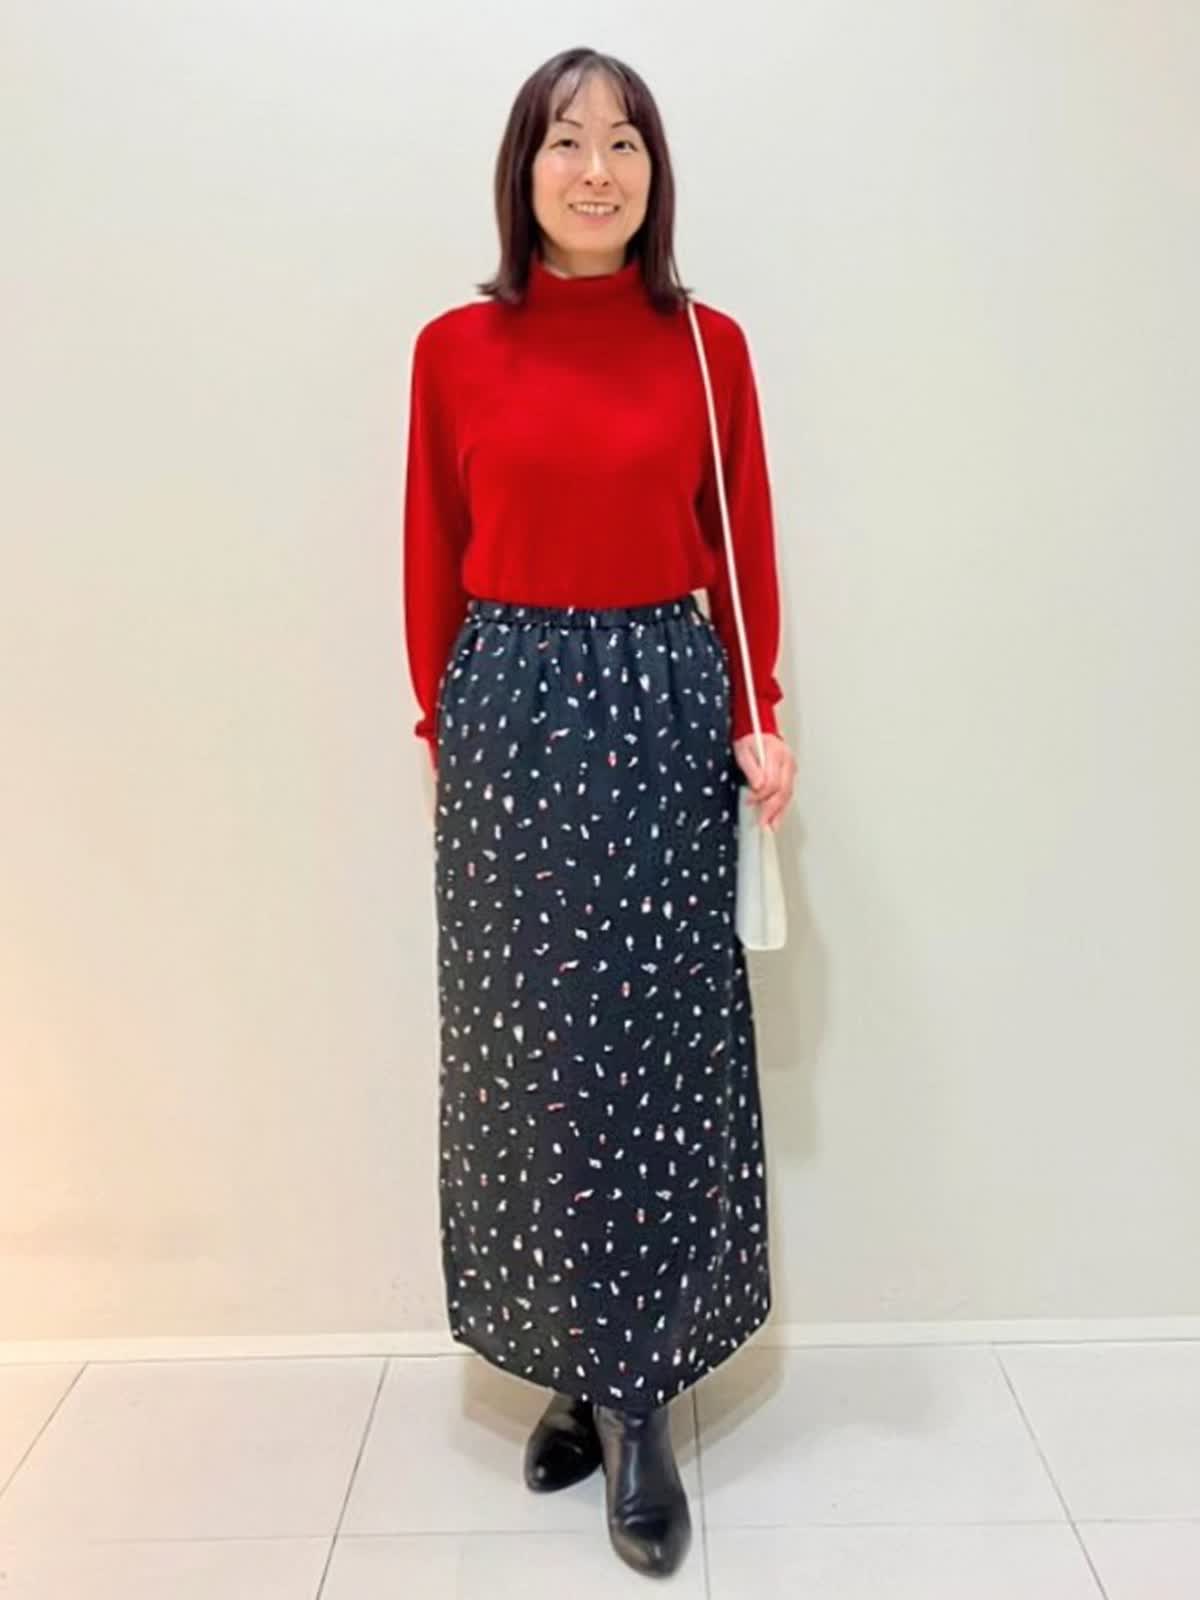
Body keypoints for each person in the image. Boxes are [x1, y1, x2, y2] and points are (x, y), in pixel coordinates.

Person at [402, 45, 796, 1580]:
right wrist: (443, 729)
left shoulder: (706, 345)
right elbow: (431, 547)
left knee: (652, 1055)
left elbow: (742, 541)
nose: (595, 169)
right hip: (510, 716)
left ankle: (640, 1402)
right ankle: (569, 1357)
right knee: (533, 1060)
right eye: (567, 141)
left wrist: (761, 713)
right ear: (525, 170)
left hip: (660, 706)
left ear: (653, 174)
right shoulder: (453, 349)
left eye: (624, 143)